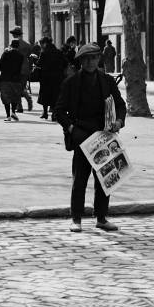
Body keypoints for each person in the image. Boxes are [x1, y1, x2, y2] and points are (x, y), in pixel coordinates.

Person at [55, 43, 126, 232]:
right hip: (82, 136)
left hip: (104, 136)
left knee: (106, 178)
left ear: (98, 59)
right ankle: (76, 218)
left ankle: (101, 218)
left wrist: (119, 121)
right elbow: (59, 111)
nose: (90, 62)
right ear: (80, 61)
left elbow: (120, 105)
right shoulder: (71, 83)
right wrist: (71, 128)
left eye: (93, 58)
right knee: (80, 179)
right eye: (86, 59)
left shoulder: (107, 81)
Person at [36, 36, 67, 120]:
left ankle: (45, 113)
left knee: (45, 95)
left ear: (45, 43)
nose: (40, 46)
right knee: (55, 95)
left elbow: (39, 64)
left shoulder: (44, 53)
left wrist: (35, 60)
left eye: (41, 44)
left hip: (46, 77)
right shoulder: (58, 52)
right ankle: (54, 114)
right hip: (57, 77)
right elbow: (65, 63)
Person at [0, 40, 26, 122]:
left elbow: (0, 66)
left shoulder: (6, 53)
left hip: (5, 79)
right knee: (15, 96)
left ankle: (8, 116)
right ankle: (13, 112)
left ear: (11, 45)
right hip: (16, 79)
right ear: (18, 46)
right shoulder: (20, 56)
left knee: (6, 97)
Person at [10, 26, 34, 112]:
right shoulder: (27, 45)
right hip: (25, 68)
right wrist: (30, 67)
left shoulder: (14, 44)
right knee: (21, 87)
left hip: (16, 68)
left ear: (14, 34)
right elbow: (31, 57)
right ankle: (24, 102)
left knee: (16, 87)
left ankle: (20, 105)